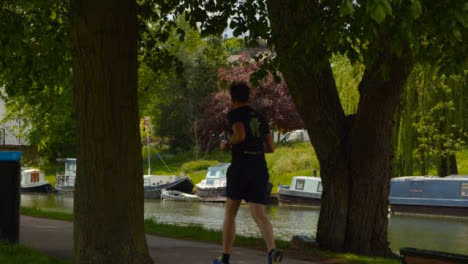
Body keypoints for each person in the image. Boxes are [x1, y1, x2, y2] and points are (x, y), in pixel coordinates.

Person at [213, 81, 282, 264]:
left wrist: (226, 143)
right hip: (259, 168)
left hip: (240, 168)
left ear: (232, 97)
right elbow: (271, 147)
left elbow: (240, 134)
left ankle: (225, 258)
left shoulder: (235, 114)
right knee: (260, 214)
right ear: (248, 96)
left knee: (230, 212)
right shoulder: (260, 117)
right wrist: (255, 146)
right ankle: (272, 251)